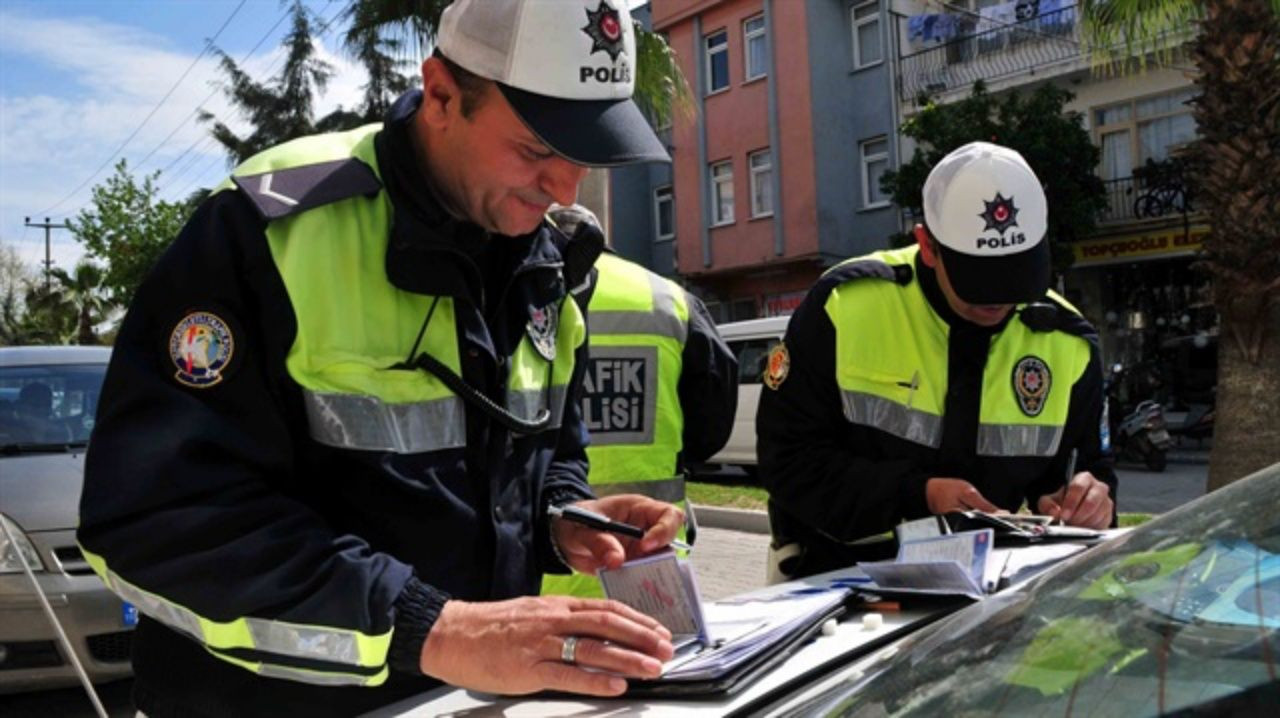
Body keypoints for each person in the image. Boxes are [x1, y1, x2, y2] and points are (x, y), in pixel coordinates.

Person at [76, 1, 686, 714]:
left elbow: (549, 449)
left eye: (584, 156)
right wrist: (433, 626)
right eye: (534, 148)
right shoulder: (269, 231)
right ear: (441, 94)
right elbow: (156, 520)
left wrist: (561, 517)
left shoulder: (543, 258)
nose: (565, 188)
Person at [757, 142, 1117, 581]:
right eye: (980, 279)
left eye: (1017, 274)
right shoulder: (845, 306)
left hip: (989, 587)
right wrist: (918, 494)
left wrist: (1088, 500)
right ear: (928, 245)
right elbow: (787, 462)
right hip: (836, 576)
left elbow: (1086, 471)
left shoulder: (1067, 341)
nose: (1000, 299)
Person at [540, 204, 738, 598]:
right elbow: (711, 428)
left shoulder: (516, 294)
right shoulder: (669, 299)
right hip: (646, 565)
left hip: (539, 573)